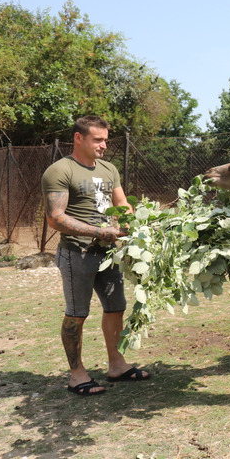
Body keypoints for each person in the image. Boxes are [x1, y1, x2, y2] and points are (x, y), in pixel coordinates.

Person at [41, 115, 151, 396]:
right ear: (79, 138)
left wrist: (130, 222)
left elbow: (121, 203)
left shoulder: (108, 168)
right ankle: (77, 374)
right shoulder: (60, 171)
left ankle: (117, 364)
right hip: (76, 253)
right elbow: (55, 218)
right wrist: (99, 232)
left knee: (116, 307)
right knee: (77, 315)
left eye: (105, 140)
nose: (103, 145)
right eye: (97, 140)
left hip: (108, 254)